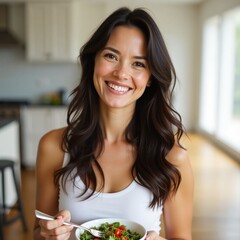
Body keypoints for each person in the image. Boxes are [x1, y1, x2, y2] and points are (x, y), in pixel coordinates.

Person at [33, 7, 194, 240]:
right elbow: (38, 233)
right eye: (111, 56)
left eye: (138, 64)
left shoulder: (172, 156)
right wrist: (47, 235)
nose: (121, 73)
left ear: (150, 78)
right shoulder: (54, 146)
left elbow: (181, 236)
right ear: (93, 62)